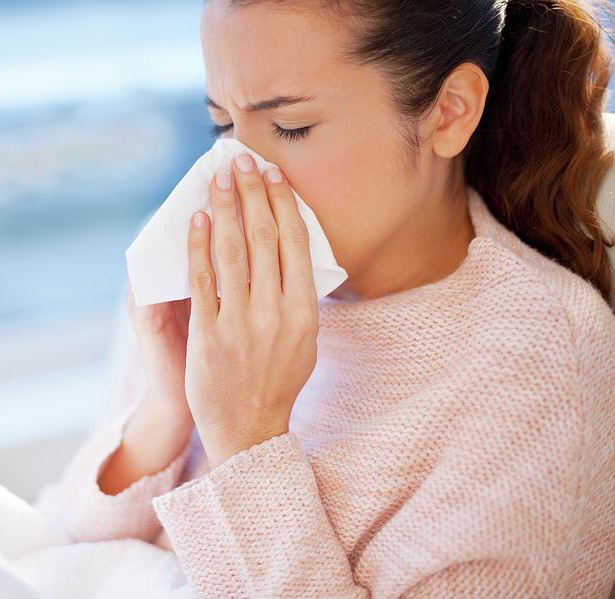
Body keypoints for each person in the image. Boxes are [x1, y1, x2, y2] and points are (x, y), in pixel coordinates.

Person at [32, 0, 615, 597]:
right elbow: (61, 548)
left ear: (449, 112)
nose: (234, 174)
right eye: (223, 127)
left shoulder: (540, 371)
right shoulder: (213, 290)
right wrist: (166, 411)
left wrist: (246, 434)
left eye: (291, 128)